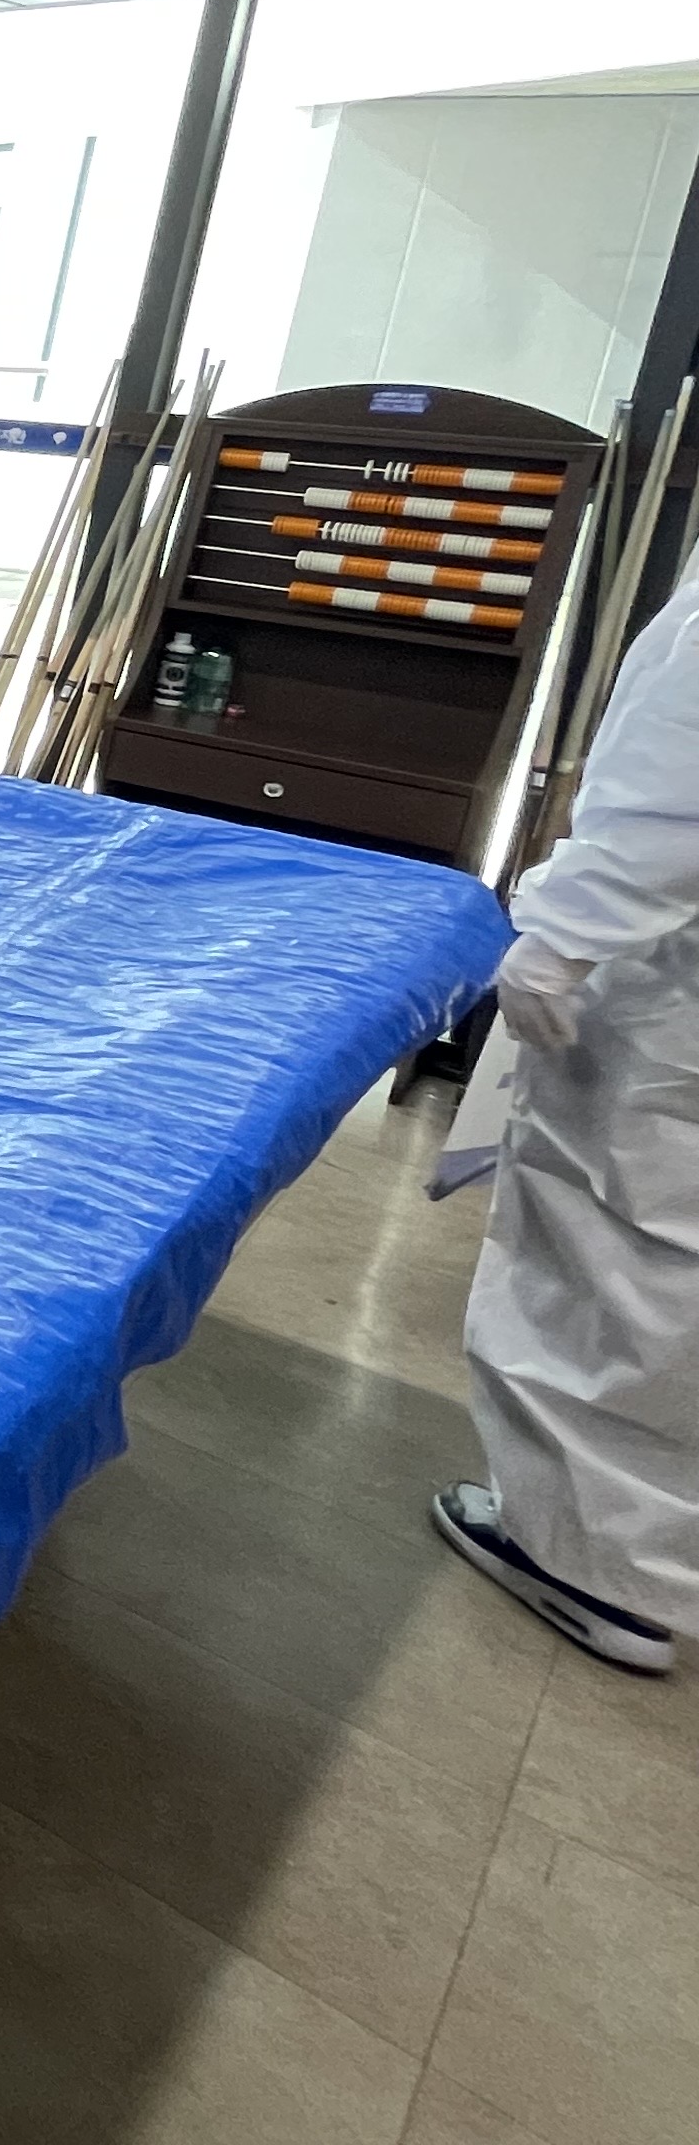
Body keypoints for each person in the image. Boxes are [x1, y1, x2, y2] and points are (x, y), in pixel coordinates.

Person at [438, 566, 699, 1676]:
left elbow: (681, 766)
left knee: (625, 1246)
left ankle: (589, 1562)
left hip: (673, 976)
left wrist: (568, 932)